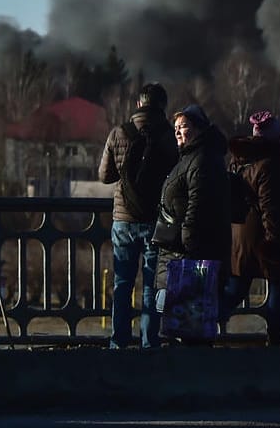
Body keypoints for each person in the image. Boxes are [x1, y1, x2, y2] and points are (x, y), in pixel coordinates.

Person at [98, 82, 177, 349]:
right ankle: (148, 342)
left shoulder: (120, 132)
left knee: (122, 283)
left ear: (138, 104)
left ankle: (118, 341)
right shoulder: (168, 135)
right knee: (151, 286)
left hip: (124, 219)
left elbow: (104, 175)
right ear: (163, 106)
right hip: (157, 221)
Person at [154, 104, 232, 337]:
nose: (177, 132)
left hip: (188, 256)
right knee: (182, 325)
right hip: (179, 253)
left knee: (188, 328)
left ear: (199, 129)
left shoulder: (201, 160)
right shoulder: (190, 157)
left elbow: (198, 205)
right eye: (176, 127)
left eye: (184, 127)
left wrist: (187, 241)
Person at [226, 110, 280, 346]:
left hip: (239, 233)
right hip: (263, 234)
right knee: (277, 284)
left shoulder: (239, 160)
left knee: (236, 287)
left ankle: (203, 327)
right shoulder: (270, 165)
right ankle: (275, 341)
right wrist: (274, 241)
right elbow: (271, 207)